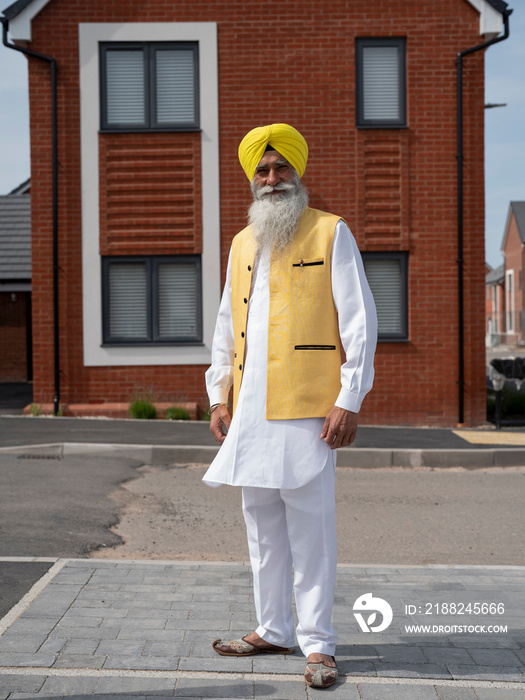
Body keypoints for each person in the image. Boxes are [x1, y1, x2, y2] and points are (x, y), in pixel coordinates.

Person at [204, 123, 377, 688]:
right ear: (252, 179)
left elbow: (360, 322)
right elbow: (227, 324)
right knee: (262, 526)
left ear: (298, 174)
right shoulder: (241, 242)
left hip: (308, 406)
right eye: (263, 170)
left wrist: (349, 398)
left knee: (310, 529)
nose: (272, 179)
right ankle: (273, 628)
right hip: (250, 410)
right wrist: (217, 395)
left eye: (281, 169)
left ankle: (319, 645)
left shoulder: (332, 232)